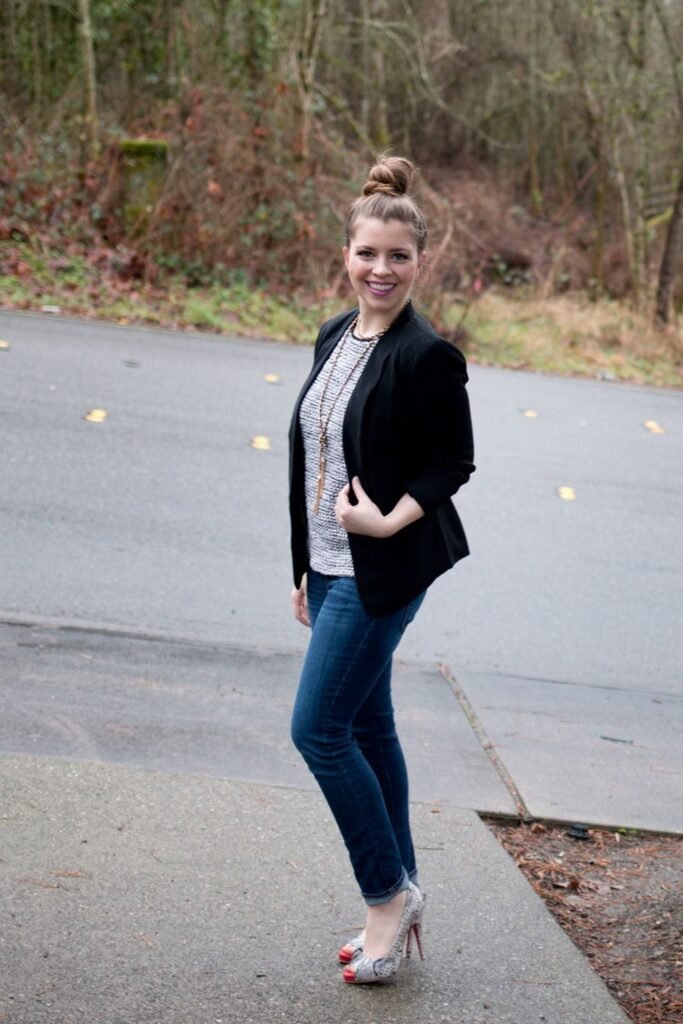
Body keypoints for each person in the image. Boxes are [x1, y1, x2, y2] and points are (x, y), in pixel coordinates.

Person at [288, 155, 475, 985]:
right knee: (366, 728)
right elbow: (315, 457)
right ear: (347, 253)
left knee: (317, 732)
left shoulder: (427, 353)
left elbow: (453, 464)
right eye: (369, 253)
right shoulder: (335, 332)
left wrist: (389, 519)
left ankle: (385, 898)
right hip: (330, 569)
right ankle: (402, 889)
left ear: (418, 262)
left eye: (398, 257)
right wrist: (305, 566)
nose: (381, 270)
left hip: (383, 570)